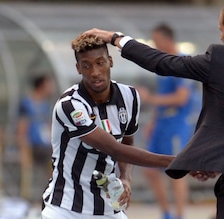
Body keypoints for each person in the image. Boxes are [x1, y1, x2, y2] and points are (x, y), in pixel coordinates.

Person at [84, 0, 224, 218]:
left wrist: (116, 39)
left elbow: (162, 62)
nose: (220, 36)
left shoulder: (220, 60)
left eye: (222, 30)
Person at [41, 33, 174, 219]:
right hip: (65, 208)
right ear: (78, 68)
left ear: (110, 61)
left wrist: (126, 178)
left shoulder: (130, 96)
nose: (95, 72)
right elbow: (115, 149)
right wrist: (178, 162)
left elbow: (127, 142)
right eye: (86, 66)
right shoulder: (70, 105)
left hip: (108, 206)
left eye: (100, 63)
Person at [138, 24, 199, 219]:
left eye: (156, 40)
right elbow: (163, 95)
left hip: (176, 124)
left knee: (176, 170)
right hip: (162, 123)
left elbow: (181, 98)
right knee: (150, 169)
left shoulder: (182, 63)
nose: (155, 45)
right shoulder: (163, 65)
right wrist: (154, 120)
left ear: (167, 39)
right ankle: (166, 212)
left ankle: (180, 214)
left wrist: (149, 99)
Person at [17, 74, 54, 204]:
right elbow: (22, 127)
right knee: (31, 175)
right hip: (32, 145)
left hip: (45, 146)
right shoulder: (27, 103)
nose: (51, 87)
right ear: (42, 85)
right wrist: (24, 149)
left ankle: (48, 196)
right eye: (48, 84)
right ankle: (30, 201)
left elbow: (48, 126)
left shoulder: (46, 104)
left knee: (52, 169)